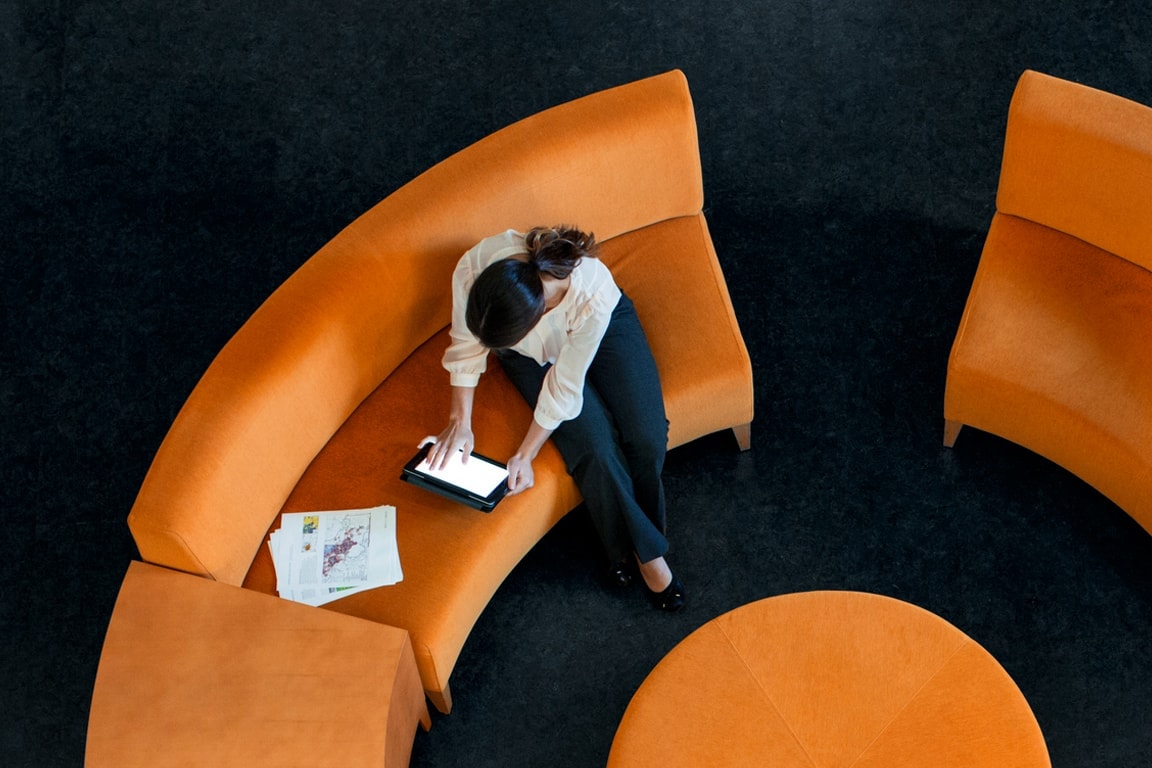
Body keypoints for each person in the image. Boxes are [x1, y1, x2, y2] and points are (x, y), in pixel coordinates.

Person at [427, 225, 684, 611]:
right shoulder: (475, 268)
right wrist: (459, 420)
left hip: (604, 325)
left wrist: (526, 453)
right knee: (593, 447)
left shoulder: (591, 289)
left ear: (540, 315)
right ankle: (647, 553)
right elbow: (467, 345)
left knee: (646, 437)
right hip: (526, 353)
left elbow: (564, 386)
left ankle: (626, 544)